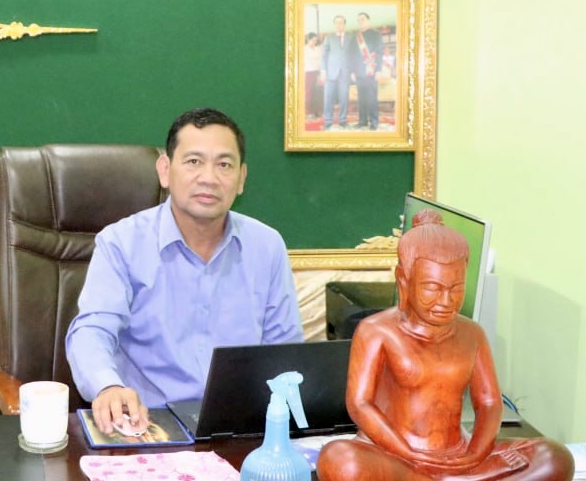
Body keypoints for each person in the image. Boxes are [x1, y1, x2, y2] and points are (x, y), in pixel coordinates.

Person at [66, 107, 303, 437]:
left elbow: (285, 354)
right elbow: (92, 331)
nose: (209, 178)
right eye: (193, 161)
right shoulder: (121, 243)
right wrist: (107, 386)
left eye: (224, 165)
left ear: (241, 179)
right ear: (165, 171)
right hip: (149, 426)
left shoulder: (267, 246)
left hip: (238, 429)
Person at [316, 211, 574, 481]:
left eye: (456, 288)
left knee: (554, 456)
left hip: (459, 455)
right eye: (432, 288)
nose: (446, 301)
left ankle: (455, 477)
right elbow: (360, 404)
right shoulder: (376, 331)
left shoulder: (472, 333)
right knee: (340, 462)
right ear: (403, 280)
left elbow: (489, 403)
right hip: (395, 455)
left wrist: (476, 452)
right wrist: (406, 452)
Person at [351, 12, 384, 130]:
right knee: (361, 99)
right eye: (358, 20)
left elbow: (379, 52)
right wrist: (352, 72)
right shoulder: (355, 37)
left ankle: (374, 122)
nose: (360, 21)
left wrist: (378, 70)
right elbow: (352, 56)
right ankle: (362, 121)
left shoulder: (376, 34)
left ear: (368, 20)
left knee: (371, 98)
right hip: (359, 73)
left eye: (363, 19)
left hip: (371, 71)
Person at [321, 15, 354, 130]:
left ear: (344, 24)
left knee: (344, 98)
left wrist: (353, 71)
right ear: (334, 24)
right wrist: (323, 70)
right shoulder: (328, 38)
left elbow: (353, 55)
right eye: (337, 22)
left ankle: (343, 120)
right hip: (330, 73)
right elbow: (324, 56)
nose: (339, 25)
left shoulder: (351, 37)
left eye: (341, 22)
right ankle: (328, 121)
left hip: (345, 73)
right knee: (328, 98)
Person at [304, 31, 322, 120]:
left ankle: (316, 111)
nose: (314, 42)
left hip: (317, 72)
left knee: (317, 92)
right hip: (308, 72)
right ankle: (309, 112)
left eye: (316, 40)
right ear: (308, 39)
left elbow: (320, 60)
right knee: (309, 92)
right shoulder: (304, 49)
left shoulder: (317, 49)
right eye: (313, 40)